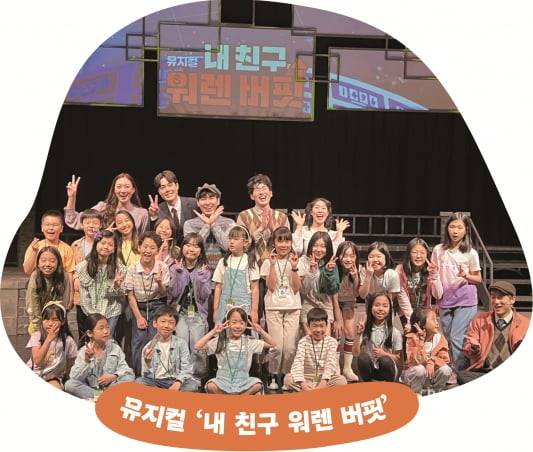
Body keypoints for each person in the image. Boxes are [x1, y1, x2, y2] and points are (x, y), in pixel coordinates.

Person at [430, 212, 482, 365]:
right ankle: (453, 368)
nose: (455, 231)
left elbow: (478, 279)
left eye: (459, 228)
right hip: (445, 299)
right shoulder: (438, 250)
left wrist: (466, 275)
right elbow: (434, 276)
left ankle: (460, 371)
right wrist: (434, 300)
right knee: (447, 338)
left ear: (466, 230)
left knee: (456, 337)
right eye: (452, 227)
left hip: (465, 299)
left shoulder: (471, 253)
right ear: (447, 228)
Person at [458, 281, 530, 384]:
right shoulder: (479, 320)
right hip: (485, 372)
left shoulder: (525, 323)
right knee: (462, 376)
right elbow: (469, 346)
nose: (496, 302)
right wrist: (474, 348)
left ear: (512, 299)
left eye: (500, 297)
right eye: (493, 297)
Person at [195, 307, 276, 395]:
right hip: (222, 382)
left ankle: (231, 399)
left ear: (246, 325)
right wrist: (214, 331)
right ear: (228, 323)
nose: (238, 326)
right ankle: (238, 398)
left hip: (243, 382)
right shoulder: (220, 341)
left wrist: (260, 331)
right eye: (234, 322)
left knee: (258, 384)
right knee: (211, 386)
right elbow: (197, 346)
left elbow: (272, 344)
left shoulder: (249, 342)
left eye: (241, 323)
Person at [260, 226, 301, 390]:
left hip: (293, 307)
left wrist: (295, 267)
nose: (284, 245)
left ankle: (285, 376)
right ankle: (272, 375)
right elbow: (270, 287)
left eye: (287, 241)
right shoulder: (267, 262)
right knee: (276, 346)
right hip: (273, 307)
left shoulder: (296, 261)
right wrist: (272, 265)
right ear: (274, 243)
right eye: (280, 241)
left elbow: (297, 288)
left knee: (290, 347)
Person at [124, 231, 170, 375]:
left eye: (152, 247)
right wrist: (138, 317)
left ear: (157, 250)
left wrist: (159, 282)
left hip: (157, 305)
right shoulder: (132, 269)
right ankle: (139, 374)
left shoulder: (163, 267)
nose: (148, 251)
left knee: (154, 339)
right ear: (139, 247)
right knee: (139, 339)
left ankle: (154, 374)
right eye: (145, 246)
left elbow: (164, 293)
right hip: (139, 306)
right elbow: (130, 296)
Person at [168, 232, 212, 381]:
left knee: (197, 346)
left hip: (198, 314)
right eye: (188, 245)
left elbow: (204, 296)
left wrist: (201, 279)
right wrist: (178, 274)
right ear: (182, 247)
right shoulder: (175, 267)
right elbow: (173, 293)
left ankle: (198, 377)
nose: (191, 249)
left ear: (201, 251)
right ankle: (183, 376)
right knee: (181, 343)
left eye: (195, 246)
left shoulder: (205, 269)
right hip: (180, 313)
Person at [65, 314, 134, 400]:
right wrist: (86, 361)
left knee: (128, 379)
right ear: (90, 333)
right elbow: (74, 377)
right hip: (90, 389)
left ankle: (103, 397)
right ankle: (103, 397)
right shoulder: (83, 351)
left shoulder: (115, 348)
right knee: (69, 385)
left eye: (107, 327)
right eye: (101, 328)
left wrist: (114, 376)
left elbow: (128, 372)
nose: (106, 331)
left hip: (111, 387)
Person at [74, 230, 125, 339]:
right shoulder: (84, 266)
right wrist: (94, 315)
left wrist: (116, 286)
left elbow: (122, 294)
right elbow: (84, 296)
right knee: (94, 341)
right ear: (96, 244)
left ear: (114, 248)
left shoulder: (118, 266)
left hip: (112, 310)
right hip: (91, 311)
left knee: (108, 340)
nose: (106, 247)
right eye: (103, 243)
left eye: (110, 244)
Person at [284, 307, 347, 391]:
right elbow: (297, 365)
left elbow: (330, 365)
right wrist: (304, 386)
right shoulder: (303, 342)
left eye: (321, 326)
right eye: (314, 326)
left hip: (325, 379)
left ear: (326, 325)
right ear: (308, 326)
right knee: (288, 379)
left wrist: (321, 386)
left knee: (341, 380)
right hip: (307, 378)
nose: (318, 330)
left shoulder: (332, 342)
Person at [137, 306, 198, 391]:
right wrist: (148, 363)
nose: (166, 326)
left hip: (175, 380)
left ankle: (161, 396)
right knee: (139, 382)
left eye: (171, 323)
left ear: (175, 326)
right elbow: (145, 375)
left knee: (192, 386)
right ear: (155, 324)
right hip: (156, 382)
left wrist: (178, 382)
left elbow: (187, 369)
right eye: (163, 321)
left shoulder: (181, 344)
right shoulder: (148, 347)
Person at [64, 172, 149, 234]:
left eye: (127, 187)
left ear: (133, 190)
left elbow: (143, 241)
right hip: (105, 252)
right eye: (119, 187)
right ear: (114, 190)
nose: (123, 190)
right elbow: (74, 220)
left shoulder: (142, 214)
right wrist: (72, 197)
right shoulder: (103, 207)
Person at [236, 174, 290, 264]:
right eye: (257, 189)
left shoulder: (282, 217)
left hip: (277, 267)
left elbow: (287, 246)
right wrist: (260, 229)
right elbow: (240, 247)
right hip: (252, 268)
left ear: (271, 193)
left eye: (264, 188)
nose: (261, 192)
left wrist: (274, 230)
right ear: (252, 196)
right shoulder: (244, 216)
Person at [298, 231, 343, 337]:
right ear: (310, 246)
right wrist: (312, 272)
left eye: (323, 246)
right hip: (307, 303)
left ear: (328, 249)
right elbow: (303, 290)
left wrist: (328, 273)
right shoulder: (303, 262)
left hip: (325, 305)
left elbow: (332, 291)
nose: (319, 249)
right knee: (310, 338)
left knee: (325, 338)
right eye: (316, 245)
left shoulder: (331, 263)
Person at [212, 225, 260, 325]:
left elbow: (255, 288)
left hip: (243, 305)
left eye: (236, 239)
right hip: (225, 305)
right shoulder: (223, 261)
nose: (231, 242)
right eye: (230, 239)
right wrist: (216, 309)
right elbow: (218, 287)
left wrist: (254, 311)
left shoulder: (250, 262)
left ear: (245, 242)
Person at [183, 183, 235, 271]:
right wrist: (207, 226)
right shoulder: (189, 224)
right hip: (198, 272)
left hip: (224, 271)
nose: (207, 202)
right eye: (203, 199)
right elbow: (192, 249)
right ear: (198, 203)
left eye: (211, 198)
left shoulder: (229, 223)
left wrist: (213, 224)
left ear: (218, 201)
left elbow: (227, 247)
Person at [26, 301, 77, 389]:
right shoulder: (37, 336)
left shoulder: (68, 340)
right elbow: (37, 361)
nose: (50, 323)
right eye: (46, 319)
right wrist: (49, 339)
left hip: (53, 378)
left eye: (55, 319)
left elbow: (71, 363)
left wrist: (66, 379)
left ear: (63, 321)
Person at [353, 292, 403, 382]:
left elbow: (399, 360)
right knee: (363, 358)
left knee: (385, 360)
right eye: (377, 305)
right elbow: (355, 353)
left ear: (390, 309)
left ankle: (389, 386)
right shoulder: (364, 329)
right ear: (370, 308)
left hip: (388, 370)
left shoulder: (395, 332)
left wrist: (385, 354)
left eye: (385, 306)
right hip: (371, 369)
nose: (380, 309)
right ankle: (368, 384)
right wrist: (358, 335)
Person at [396, 238, 443, 332]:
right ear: (409, 254)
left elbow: (438, 295)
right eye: (414, 252)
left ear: (427, 254)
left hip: (423, 312)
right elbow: (402, 297)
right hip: (406, 312)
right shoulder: (400, 270)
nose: (418, 256)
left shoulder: (431, 270)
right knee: (410, 337)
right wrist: (411, 320)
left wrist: (434, 275)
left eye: (422, 252)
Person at [402, 307, 452, 393]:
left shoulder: (439, 338)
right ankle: (415, 392)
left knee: (445, 369)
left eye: (436, 319)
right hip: (413, 377)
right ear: (422, 324)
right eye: (433, 319)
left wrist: (432, 361)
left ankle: (436, 391)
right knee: (420, 369)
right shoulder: (411, 338)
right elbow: (414, 361)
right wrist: (421, 342)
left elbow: (445, 359)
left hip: (429, 376)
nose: (437, 323)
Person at [70, 209, 103, 338]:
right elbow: (72, 268)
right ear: (82, 225)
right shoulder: (76, 245)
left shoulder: (104, 242)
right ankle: (84, 350)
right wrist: (75, 279)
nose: (91, 226)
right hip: (82, 295)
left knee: (100, 328)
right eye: (87, 222)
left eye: (95, 222)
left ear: (100, 225)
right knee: (83, 330)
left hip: (100, 294)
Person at [26, 246, 70, 335]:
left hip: (56, 320)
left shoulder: (64, 277)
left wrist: (57, 322)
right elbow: (33, 303)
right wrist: (39, 327)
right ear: (38, 263)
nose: (47, 264)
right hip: (38, 320)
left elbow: (63, 302)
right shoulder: (35, 276)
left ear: (58, 263)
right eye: (43, 260)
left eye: (52, 261)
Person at [335, 241, 362, 382]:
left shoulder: (358, 269)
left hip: (349, 303)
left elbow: (357, 293)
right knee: (336, 333)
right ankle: (335, 368)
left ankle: (347, 368)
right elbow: (332, 294)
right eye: (345, 255)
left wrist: (356, 277)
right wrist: (337, 317)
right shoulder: (334, 269)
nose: (348, 259)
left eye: (352, 256)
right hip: (334, 303)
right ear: (339, 256)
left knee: (350, 332)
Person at [148, 170, 196, 244]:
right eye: (162, 187)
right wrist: (154, 217)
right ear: (159, 192)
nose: (167, 190)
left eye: (170, 185)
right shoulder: (157, 210)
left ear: (177, 186)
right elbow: (154, 237)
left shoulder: (194, 203)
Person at [22, 210, 75, 277]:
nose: (51, 228)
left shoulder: (67, 249)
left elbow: (70, 274)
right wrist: (34, 252)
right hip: (39, 282)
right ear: (42, 227)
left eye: (55, 225)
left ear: (61, 228)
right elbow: (27, 271)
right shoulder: (35, 246)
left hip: (60, 282)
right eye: (47, 225)